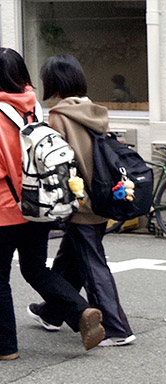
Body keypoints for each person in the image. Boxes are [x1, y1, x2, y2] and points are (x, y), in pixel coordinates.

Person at [0, 47, 104, 362]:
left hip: (5, 210)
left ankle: (6, 348)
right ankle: (81, 311)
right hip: (38, 205)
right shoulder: (33, 107)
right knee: (35, 268)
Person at [27, 54, 135, 348]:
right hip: (103, 195)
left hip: (80, 202)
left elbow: (57, 164)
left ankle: (116, 329)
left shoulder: (59, 116)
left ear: (53, 82)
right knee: (70, 259)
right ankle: (51, 313)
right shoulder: (94, 111)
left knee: (92, 264)